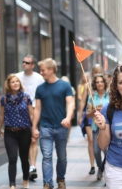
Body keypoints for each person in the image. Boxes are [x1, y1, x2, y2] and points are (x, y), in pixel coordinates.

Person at [31, 58, 74, 189]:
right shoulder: (40, 88)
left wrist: (68, 118)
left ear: (51, 70)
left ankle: (61, 179)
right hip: (45, 127)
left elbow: (70, 103)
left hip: (61, 127)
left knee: (62, 157)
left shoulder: (65, 86)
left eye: (43, 70)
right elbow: (37, 109)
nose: (41, 72)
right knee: (47, 157)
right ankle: (47, 184)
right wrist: (34, 127)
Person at [0, 74, 33, 189]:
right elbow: (1, 114)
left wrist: (35, 129)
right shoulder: (4, 98)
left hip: (25, 131)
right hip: (10, 132)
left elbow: (31, 115)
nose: (15, 83)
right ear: (9, 84)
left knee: (24, 157)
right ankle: (12, 184)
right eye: (13, 82)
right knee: (12, 158)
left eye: (17, 81)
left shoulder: (26, 97)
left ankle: (25, 180)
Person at [16, 54, 44, 180]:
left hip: (33, 111)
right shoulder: (17, 77)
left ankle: (32, 166)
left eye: (27, 63)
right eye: (23, 62)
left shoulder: (39, 78)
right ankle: (28, 164)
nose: (24, 64)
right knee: (24, 141)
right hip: (19, 113)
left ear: (33, 65)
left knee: (33, 139)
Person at [77, 64, 103, 175]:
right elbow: (83, 101)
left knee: (101, 141)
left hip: (101, 116)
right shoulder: (88, 85)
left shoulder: (103, 84)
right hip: (89, 116)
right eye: (95, 72)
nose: (97, 74)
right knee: (91, 140)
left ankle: (102, 164)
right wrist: (80, 115)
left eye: (99, 72)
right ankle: (93, 165)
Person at [86, 74, 109, 180]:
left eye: (101, 81)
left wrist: (104, 110)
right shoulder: (92, 96)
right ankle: (100, 167)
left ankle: (107, 173)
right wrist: (95, 111)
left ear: (104, 83)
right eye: (97, 82)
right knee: (96, 150)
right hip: (96, 127)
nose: (99, 84)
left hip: (108, 126)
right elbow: (87, 114)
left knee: (107, 151)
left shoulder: (110, 95)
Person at [61, 76, 76, 141]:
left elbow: (73, 98)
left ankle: (68, 135)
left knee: (69, 121)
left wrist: (73, 106)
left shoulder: (71, 88)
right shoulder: (60, 88)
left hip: (69, 106)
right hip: (62, 107)